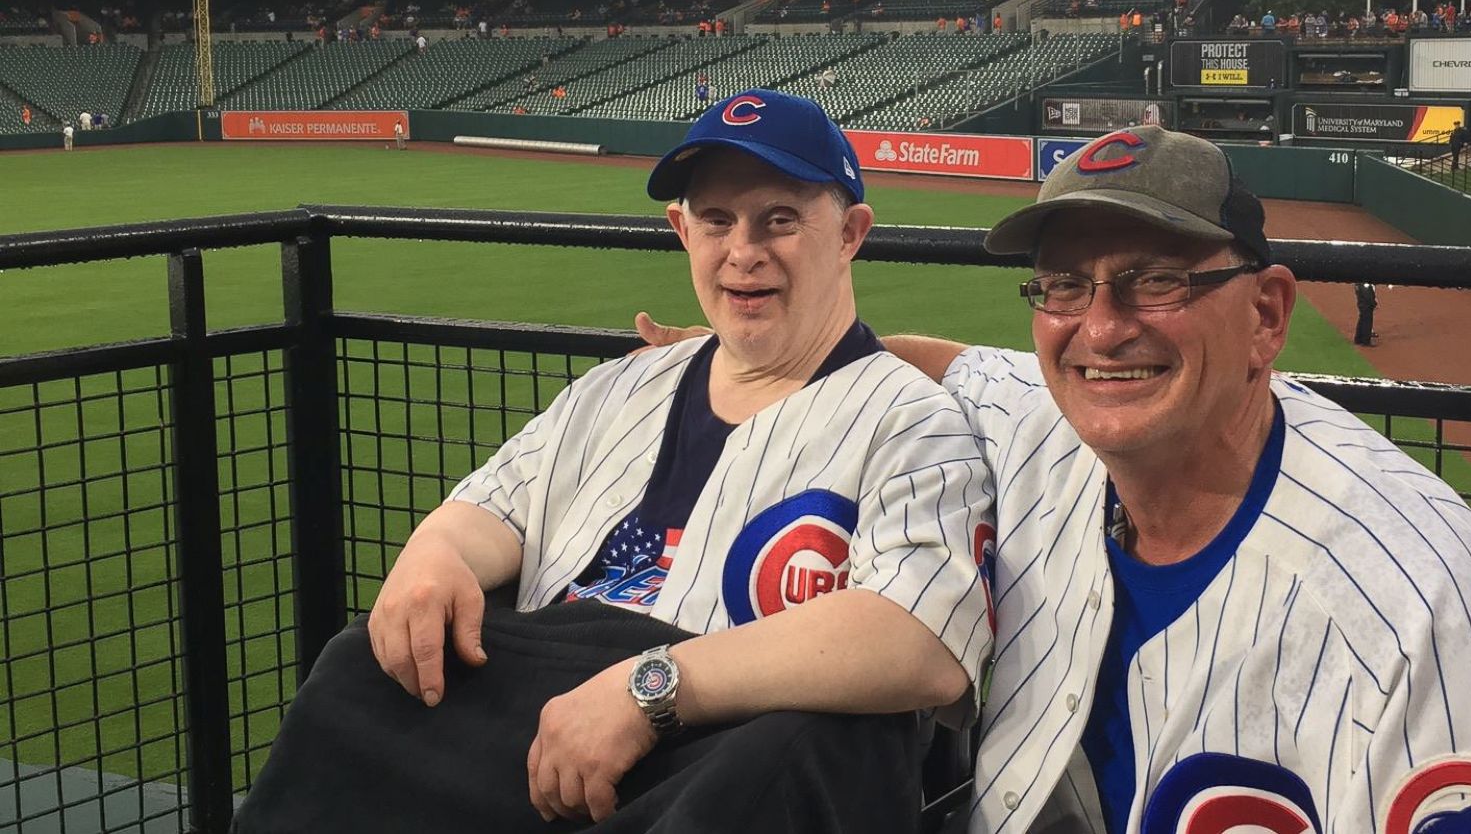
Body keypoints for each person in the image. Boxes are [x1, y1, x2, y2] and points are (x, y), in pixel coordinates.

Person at [639, 127, 1471, 834]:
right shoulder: (1051, 422)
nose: (1098, 330)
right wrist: (749, 352)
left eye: (1156, 281)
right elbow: (949, 361)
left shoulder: (1419, 602)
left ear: (1266, 315)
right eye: (1062, 285)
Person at [232, 90, 994, 834]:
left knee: (791, 756)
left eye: (781, 220)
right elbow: (494, 506)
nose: (743, 252)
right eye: (717, 220)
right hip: (540, 712)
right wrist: (433, 555)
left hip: (715, 742)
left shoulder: (913, 422)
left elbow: (920, 640)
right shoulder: (621, 385)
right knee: (361, 666)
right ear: (680, 230)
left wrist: (649, 690)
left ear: (851, 233)